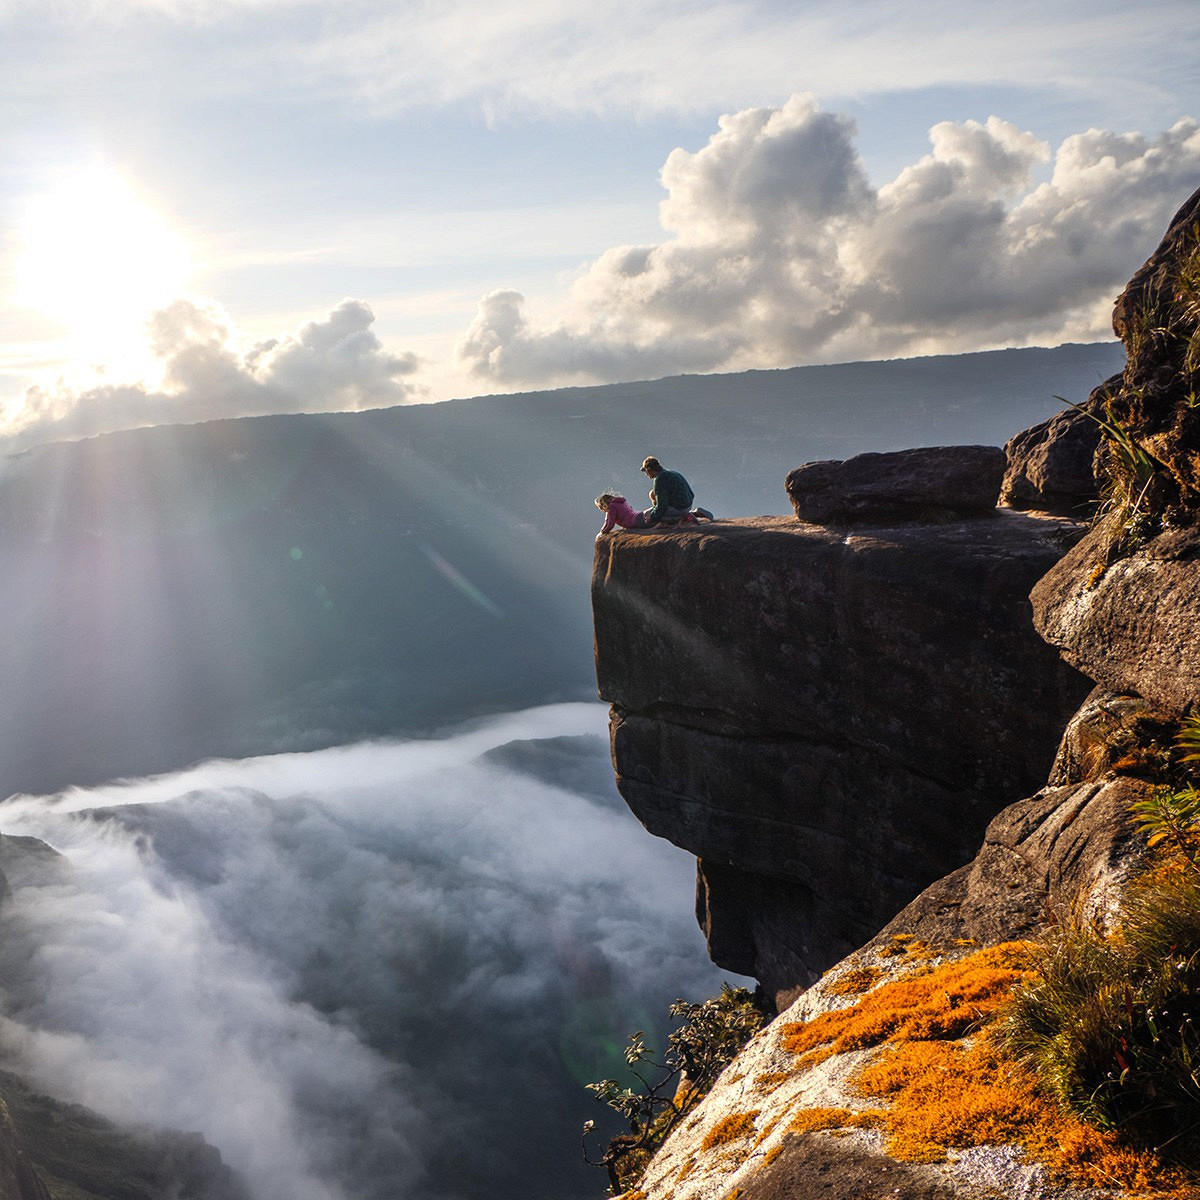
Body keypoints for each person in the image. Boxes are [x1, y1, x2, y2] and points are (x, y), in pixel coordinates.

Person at [640, 456, 714, 525]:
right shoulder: (672, 473)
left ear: (649, 470)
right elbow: (691, 494)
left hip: (678, 508)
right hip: (688, 505)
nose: (646, 474)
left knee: (653, 517)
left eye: (646, 471)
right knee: (652, 493)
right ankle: (693, 512)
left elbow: (662, 505)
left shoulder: (660, 479)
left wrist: (652, 517)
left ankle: (685, 517)